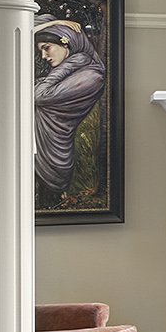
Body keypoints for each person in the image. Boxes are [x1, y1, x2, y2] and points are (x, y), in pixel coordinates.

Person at [35, 17, 107, 202]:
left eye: (47, 48)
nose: (44, 56)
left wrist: (69, 64)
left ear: (66, 43)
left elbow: (38, 95)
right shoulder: (74, 69)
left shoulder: (91, 76)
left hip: (55, 159)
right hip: (39, 150)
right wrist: (53, 23)